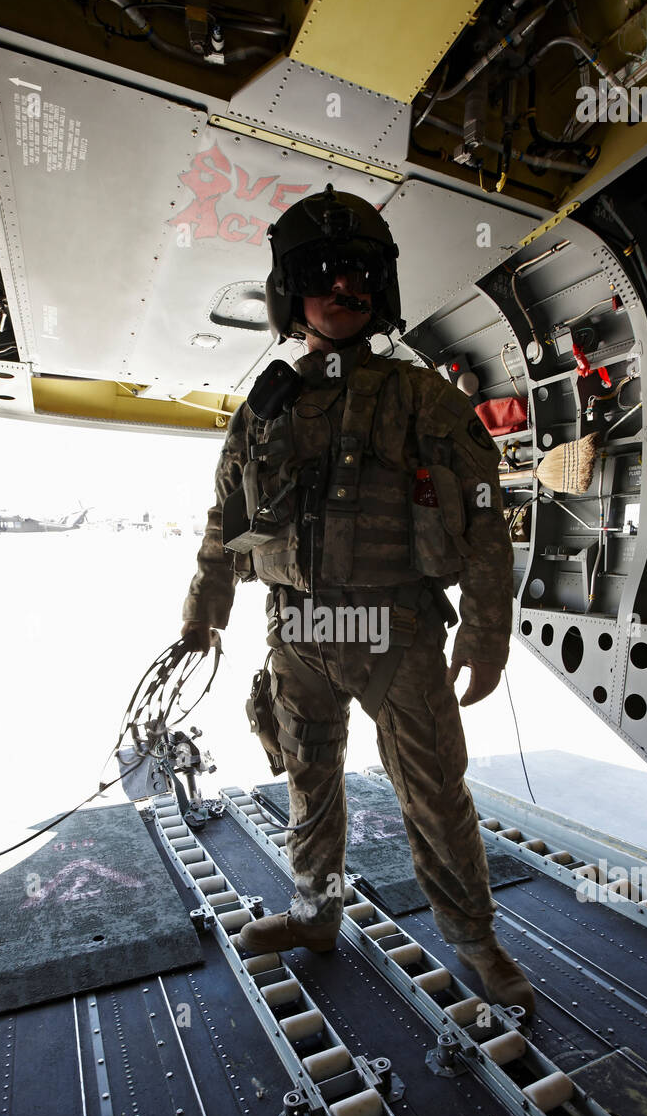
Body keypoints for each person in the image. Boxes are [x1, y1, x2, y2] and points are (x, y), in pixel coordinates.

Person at [180, 185, 534, 1016]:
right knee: (311, 784)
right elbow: (225, 517)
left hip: (396, 631)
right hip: (297, 631)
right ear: (290, 290)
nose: (346, 290)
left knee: (435, 791)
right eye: (325, 275)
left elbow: (485, 518)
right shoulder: (265, 411)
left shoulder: (423, 401)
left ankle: (476, 940)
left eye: (361, 277)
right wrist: (206, 606)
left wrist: (487, 630)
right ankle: (313, 916)